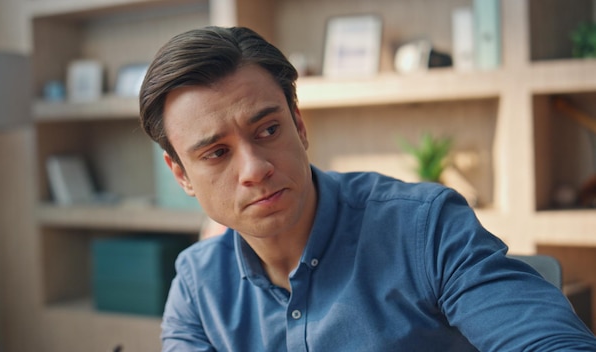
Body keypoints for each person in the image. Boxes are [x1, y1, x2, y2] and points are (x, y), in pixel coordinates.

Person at [139, 26, 596, 351]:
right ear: (181, 175)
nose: (254, 168)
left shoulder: (424, 227)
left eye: (268, 130)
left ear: (298, 126)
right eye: (216, 153)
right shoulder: (198, 287)